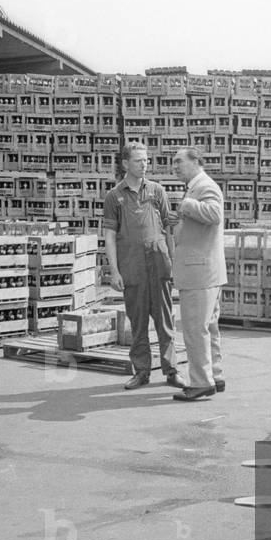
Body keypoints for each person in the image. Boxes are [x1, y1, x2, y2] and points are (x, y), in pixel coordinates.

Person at [103, 142, 186, 390]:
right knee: (138, 323)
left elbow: (168, 228)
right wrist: (114, 271)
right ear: (125, 164)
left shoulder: (157, 191)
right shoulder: (114, 196)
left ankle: (172, 371)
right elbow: (109, 236)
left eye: (146, 160)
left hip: (158, 262)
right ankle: (141, 372)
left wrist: (173, 263)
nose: (144, 164)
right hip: (132, 266)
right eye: (138, 160)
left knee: (165, 320)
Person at [169, 148, 227, 401]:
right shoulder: (196, 187)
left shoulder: (204, 186)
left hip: (199, 272)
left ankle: (201, 382)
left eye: (179, 162)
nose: (175, 167)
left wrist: (186, 206)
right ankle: (215, 375)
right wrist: (180, 220)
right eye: (173, 163)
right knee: (208, 328)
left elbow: (214, 214)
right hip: (206, 272)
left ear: (196, 161)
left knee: (194, 329)